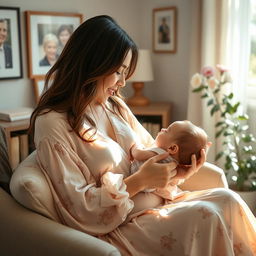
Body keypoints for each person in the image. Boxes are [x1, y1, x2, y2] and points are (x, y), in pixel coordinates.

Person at [29, 15, 256, 255]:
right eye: (119, 72)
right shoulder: (52, 123)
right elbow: (77, 208)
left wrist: (177, 174)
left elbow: (153, 152)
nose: (123, 81)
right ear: (93, 65)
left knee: (227, 200)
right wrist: (139, 182)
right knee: (207, 216)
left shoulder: (113, 105)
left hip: (158, 206)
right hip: (118, 227)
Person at [130, 120, 208, 197]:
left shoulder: (160, 153)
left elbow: (138, 155)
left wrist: (135, 146)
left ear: (172, 148)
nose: (162, 129)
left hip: (135, 180)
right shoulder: (175, 165)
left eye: (166, 131)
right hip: (147, 189)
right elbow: (174, 182)